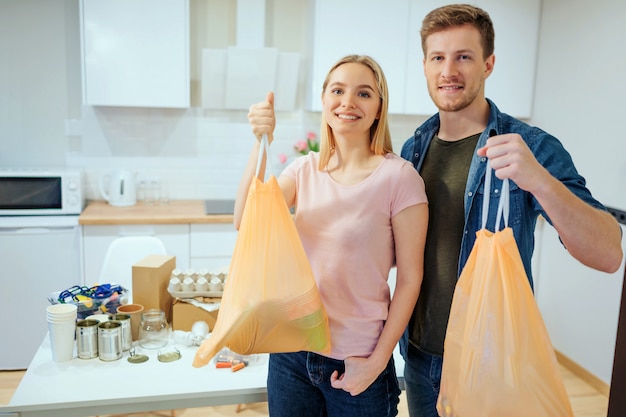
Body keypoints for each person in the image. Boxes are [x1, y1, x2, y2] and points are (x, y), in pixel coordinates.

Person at [399, 4, 624, 417]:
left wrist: (538, 179)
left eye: (463, 56)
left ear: (489, 63)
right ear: (426, 65)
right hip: (418, 356)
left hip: (490, 361)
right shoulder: (413, 149)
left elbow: (609, 253)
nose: (449, 70)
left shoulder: (531, 147)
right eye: (438, 57)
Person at [234, 54, 429, 417]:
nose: (348, 102)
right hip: (291, 353)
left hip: (355, 360)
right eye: (337, 90)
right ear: (324, 101)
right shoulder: (305, 170)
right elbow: (246, 220)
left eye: (364, 93)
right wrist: (261, 142)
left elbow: (410, 279)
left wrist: (376, 361)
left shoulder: (400, 178)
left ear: (378, 108)